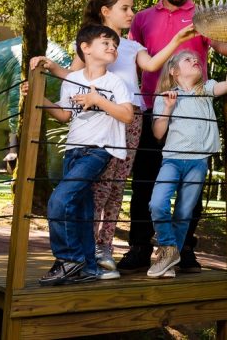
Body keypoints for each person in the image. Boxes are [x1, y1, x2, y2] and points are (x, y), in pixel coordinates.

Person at [118, 0, 227, 273]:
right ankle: (140, 248)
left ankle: (182, 249)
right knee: (146, 184)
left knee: (191, 189)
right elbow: (132, 59)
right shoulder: (142, 19)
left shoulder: (202, 15)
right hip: (151, 110)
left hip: (190, 118)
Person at [31, 0, 197, 275]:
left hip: (130, 120)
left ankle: (104, 247)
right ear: (106, 11)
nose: (132, 13)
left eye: (133, 7)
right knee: (98, 188)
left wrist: (177, 40)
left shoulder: (131, 46)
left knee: (117, 188)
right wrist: (52, 68)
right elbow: (75, 79)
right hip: (98, 125)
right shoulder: (92, 44)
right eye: (125, 8)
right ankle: (88, 250)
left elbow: (155, 63)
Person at [29, 25, 134, 285]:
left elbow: (127, 115)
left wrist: (98, 100)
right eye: (106, 42)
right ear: (85, 48)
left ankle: (68, 259)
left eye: (115, 45)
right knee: (81, 211)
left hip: (99, 151)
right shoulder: (71, 81)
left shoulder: (115, 82)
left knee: (59, 200)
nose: (112, 47)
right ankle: (88, 267)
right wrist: (39, 98)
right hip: (74, 150)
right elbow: (65, 115)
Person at [146, 44, 227, 278]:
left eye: (196, 59)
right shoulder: (165, 96)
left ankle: (167, 262)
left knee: (184, 213)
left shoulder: (205, 89)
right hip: (172, 161)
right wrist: (167, 107)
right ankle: (168, 248)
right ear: (174, 71)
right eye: (187, 60)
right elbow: (158, 133)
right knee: (157, 204)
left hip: (198, 162)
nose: (194, 61)